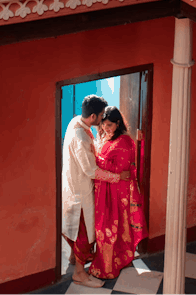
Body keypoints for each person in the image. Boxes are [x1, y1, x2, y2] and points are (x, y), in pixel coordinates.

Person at [61, 94, 129, 288]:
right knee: (84, 232)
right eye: (100, 117)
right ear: (92, 116)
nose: (102, 121)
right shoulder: (81, 137)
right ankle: (79, 274)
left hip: (71, 187)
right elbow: (91, 171)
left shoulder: (76, 121)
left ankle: (75, 259)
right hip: (80, 193)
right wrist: (117, 177)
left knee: (75, 229)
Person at [89, 105, 148, 281]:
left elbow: (121, 170)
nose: (105, 128)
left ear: (117, 124)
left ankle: (109, 266)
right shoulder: (106, 137)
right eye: (103, 125)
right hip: (105, 188)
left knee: (112, 226)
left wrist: (96, 161)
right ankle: (117, 259)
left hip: (116, 191)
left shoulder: (124, 141)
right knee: (108, 225)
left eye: (109, 125)